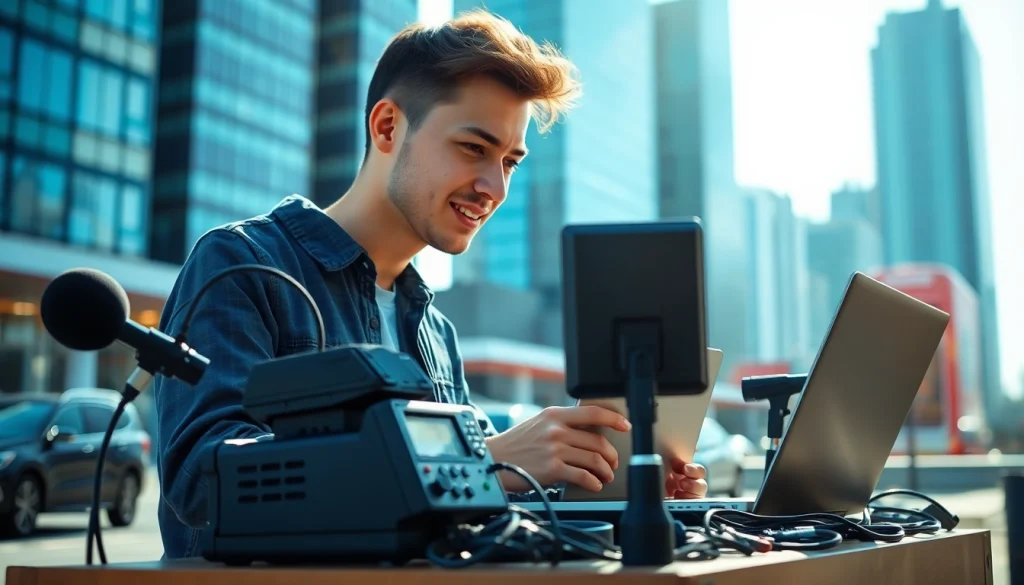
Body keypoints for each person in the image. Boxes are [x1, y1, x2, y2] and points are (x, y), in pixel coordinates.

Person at [152, 9, 708, 559]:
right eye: (473, 148)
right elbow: (205, 480)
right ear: (388, 126)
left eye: (510, 162)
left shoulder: (435, 331)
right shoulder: (242, 265)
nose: (494, 186)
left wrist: (610, 493)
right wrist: (480, 461)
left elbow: (468, 519)